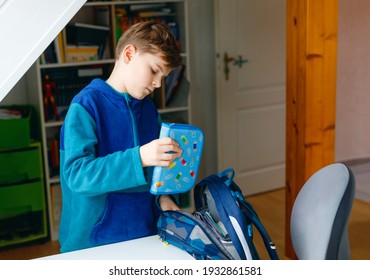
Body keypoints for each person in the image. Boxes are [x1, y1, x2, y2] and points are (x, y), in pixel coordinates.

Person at [58, 21, 183, 253]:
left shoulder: (148, 110)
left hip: (144, 235)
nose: (157, 83)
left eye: (163, 77)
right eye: (155, 70)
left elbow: (156, 172)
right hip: (93, 244)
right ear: (128, 54)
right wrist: (139, 157)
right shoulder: (85, 106)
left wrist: (163, 197)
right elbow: (78, 176)